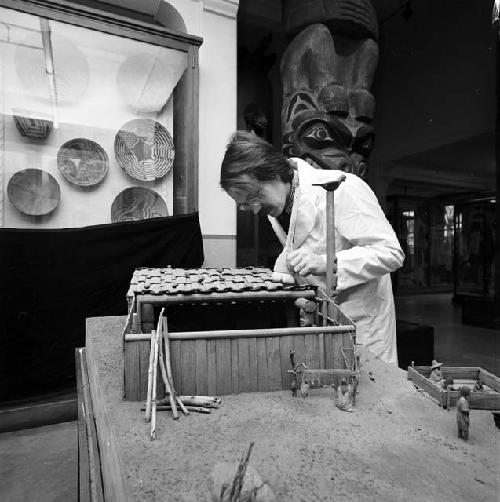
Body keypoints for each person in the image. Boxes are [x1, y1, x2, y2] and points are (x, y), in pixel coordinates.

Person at [220, 131, 405, 365]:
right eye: (245, 205)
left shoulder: (342, 188)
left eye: (255, 196)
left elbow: (391, 253)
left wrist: (329, 262)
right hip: (326, 320)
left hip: (363, 323)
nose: (255, 210)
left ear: (274, 171)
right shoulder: (281, 206)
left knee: (370, 393)